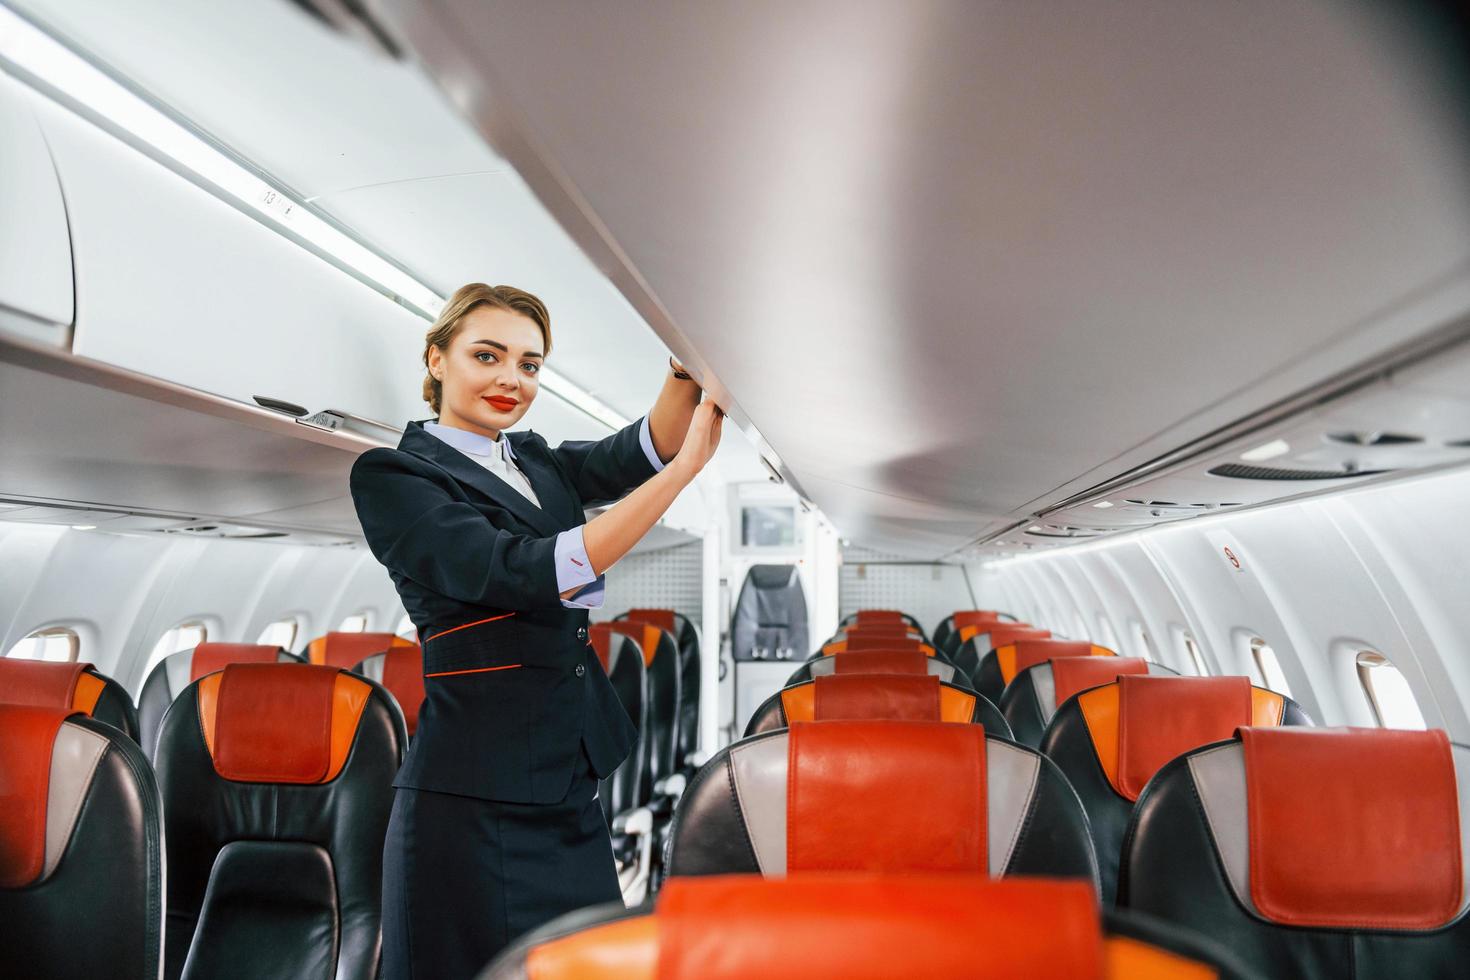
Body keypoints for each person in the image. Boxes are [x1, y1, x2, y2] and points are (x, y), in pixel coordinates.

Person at [349, 282, 721, 979]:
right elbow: (519, 570)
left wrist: (684, 365)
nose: (510, 380)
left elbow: (644, 448)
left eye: (529, 364)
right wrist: (689, 474)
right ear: (437, 360)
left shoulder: (533, 460)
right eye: (486, 356)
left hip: (564, 783)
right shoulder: (396, 476)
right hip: (468, 802)